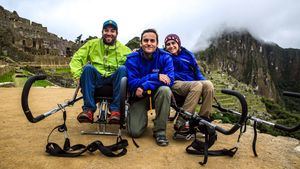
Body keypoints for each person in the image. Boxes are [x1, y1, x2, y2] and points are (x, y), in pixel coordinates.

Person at [69, 20, 131, 123]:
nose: (109, 33)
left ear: (117, 33)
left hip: (114, 79)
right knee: (88, 68)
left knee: (122, 69)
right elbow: (77, 58)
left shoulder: (124, 49)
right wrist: (77, 75)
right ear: (102, 32)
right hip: (97, 78)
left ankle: (116, 111)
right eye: (106, 30)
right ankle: (88, 110)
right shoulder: (92, 44)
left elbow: (135, 62)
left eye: (112, 31)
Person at [125, 29, 174, 146]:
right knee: (134, 132)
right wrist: (156, 76)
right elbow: (132, 83)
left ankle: (160, 130)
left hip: (156, 94)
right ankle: (141, 119)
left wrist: (145, 85)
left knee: (165, 90)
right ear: (140, 43)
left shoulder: (165, 57)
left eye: (152, 40)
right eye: (145, 40)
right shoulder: (132, 59)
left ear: (157, 43)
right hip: (140, 96)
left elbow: (169, 80)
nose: (149, 43)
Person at [164, 34, 214, 131]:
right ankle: (182, 121)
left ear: (178, 43)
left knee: (208, 85)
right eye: (168, 44)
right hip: (175, 83)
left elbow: (196, 71)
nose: (171, 46)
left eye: (173, 43)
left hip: (191, 83)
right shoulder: (164, 56)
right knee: (197, 85)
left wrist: (204, 81)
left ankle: (203, 120)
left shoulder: (188, 54)